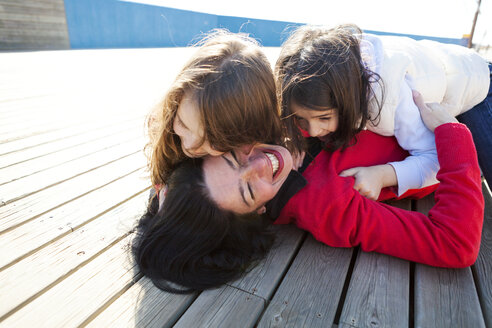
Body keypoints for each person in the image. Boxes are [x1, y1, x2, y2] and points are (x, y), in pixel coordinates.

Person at [132, 92, 484, 293]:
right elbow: (455, 243)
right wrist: (452, 132)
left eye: (234, 156)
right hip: (469, 116)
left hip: (441, 78)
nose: (260, 164)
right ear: (255, 214)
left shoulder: (269, 116)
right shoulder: (328, 207)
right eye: (250, 190)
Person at [275, 24, 491, 200]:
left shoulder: (392, 100)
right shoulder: (340, 69)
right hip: (443, 68)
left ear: (348, 100)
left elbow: (439, 161)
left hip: (478, 83)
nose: (312, 131)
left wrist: (383, 175)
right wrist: (293, 142)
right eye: (302, 120)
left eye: (324, 118)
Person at [147, 29, 294, 193]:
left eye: (212, 140)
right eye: (182, 123)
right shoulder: (164, 126)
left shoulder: (259, 156)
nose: (188, 146)